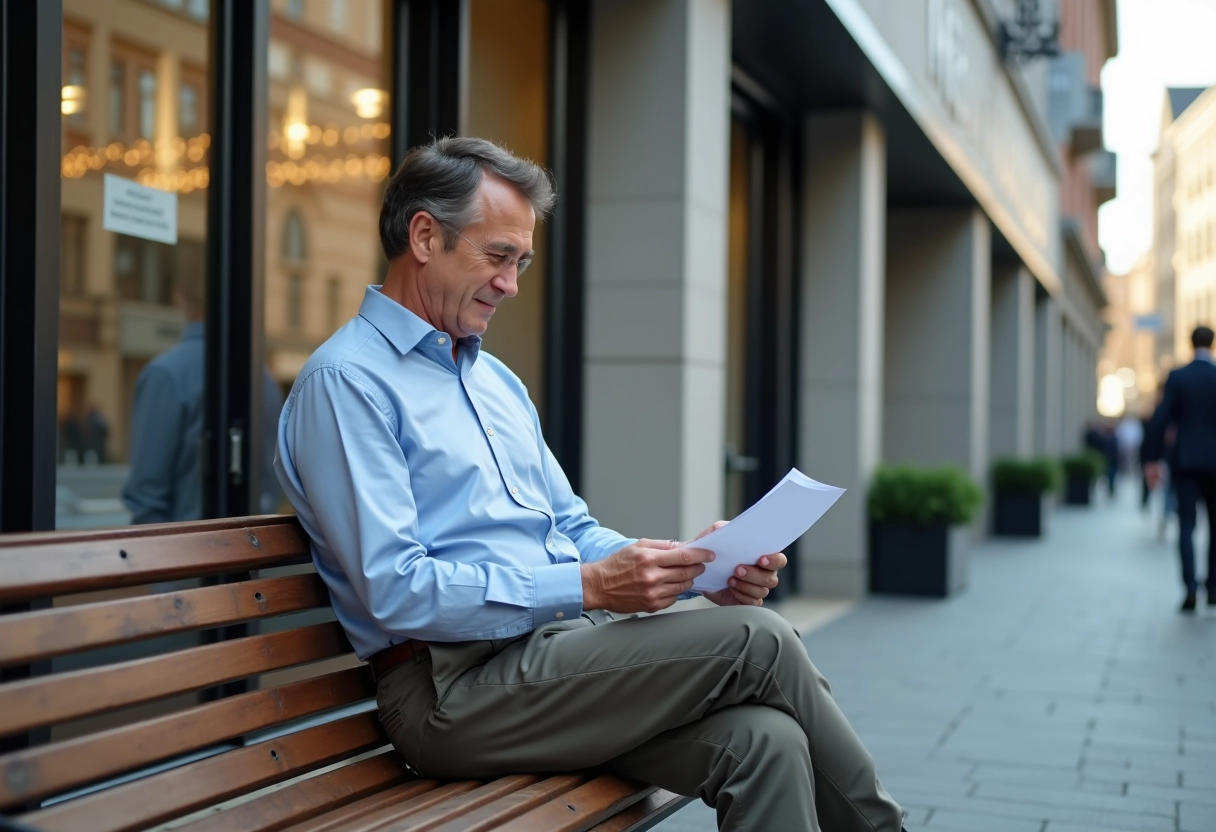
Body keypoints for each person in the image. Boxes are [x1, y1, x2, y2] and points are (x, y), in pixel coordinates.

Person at [275, 138, 906, 832]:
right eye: (497, 257)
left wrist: (692, 569)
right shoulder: (348, 384)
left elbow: (570, 530)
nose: (511, 284)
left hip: (556, 660)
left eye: (521, 263)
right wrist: (591, 588)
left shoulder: (495, 382)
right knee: (761, 640)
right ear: (424, 236)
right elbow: (396, 590)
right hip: (449, 692)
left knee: (766, 742)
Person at [122, 269, 284, 524]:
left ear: (179, 296)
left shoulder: (165, 374)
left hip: (185, 553)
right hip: (251, 549)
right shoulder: (262, 378)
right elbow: (273, 477)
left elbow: (146, 495)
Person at [1145, 325, 1216, 612]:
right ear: (1211, 344)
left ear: (1190, 344)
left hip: (1185, 461)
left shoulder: (1178, 376)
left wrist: (1151, 458)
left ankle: (1190, 587)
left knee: (1186, 525)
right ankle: (1213, 588)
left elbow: (1160, 419)